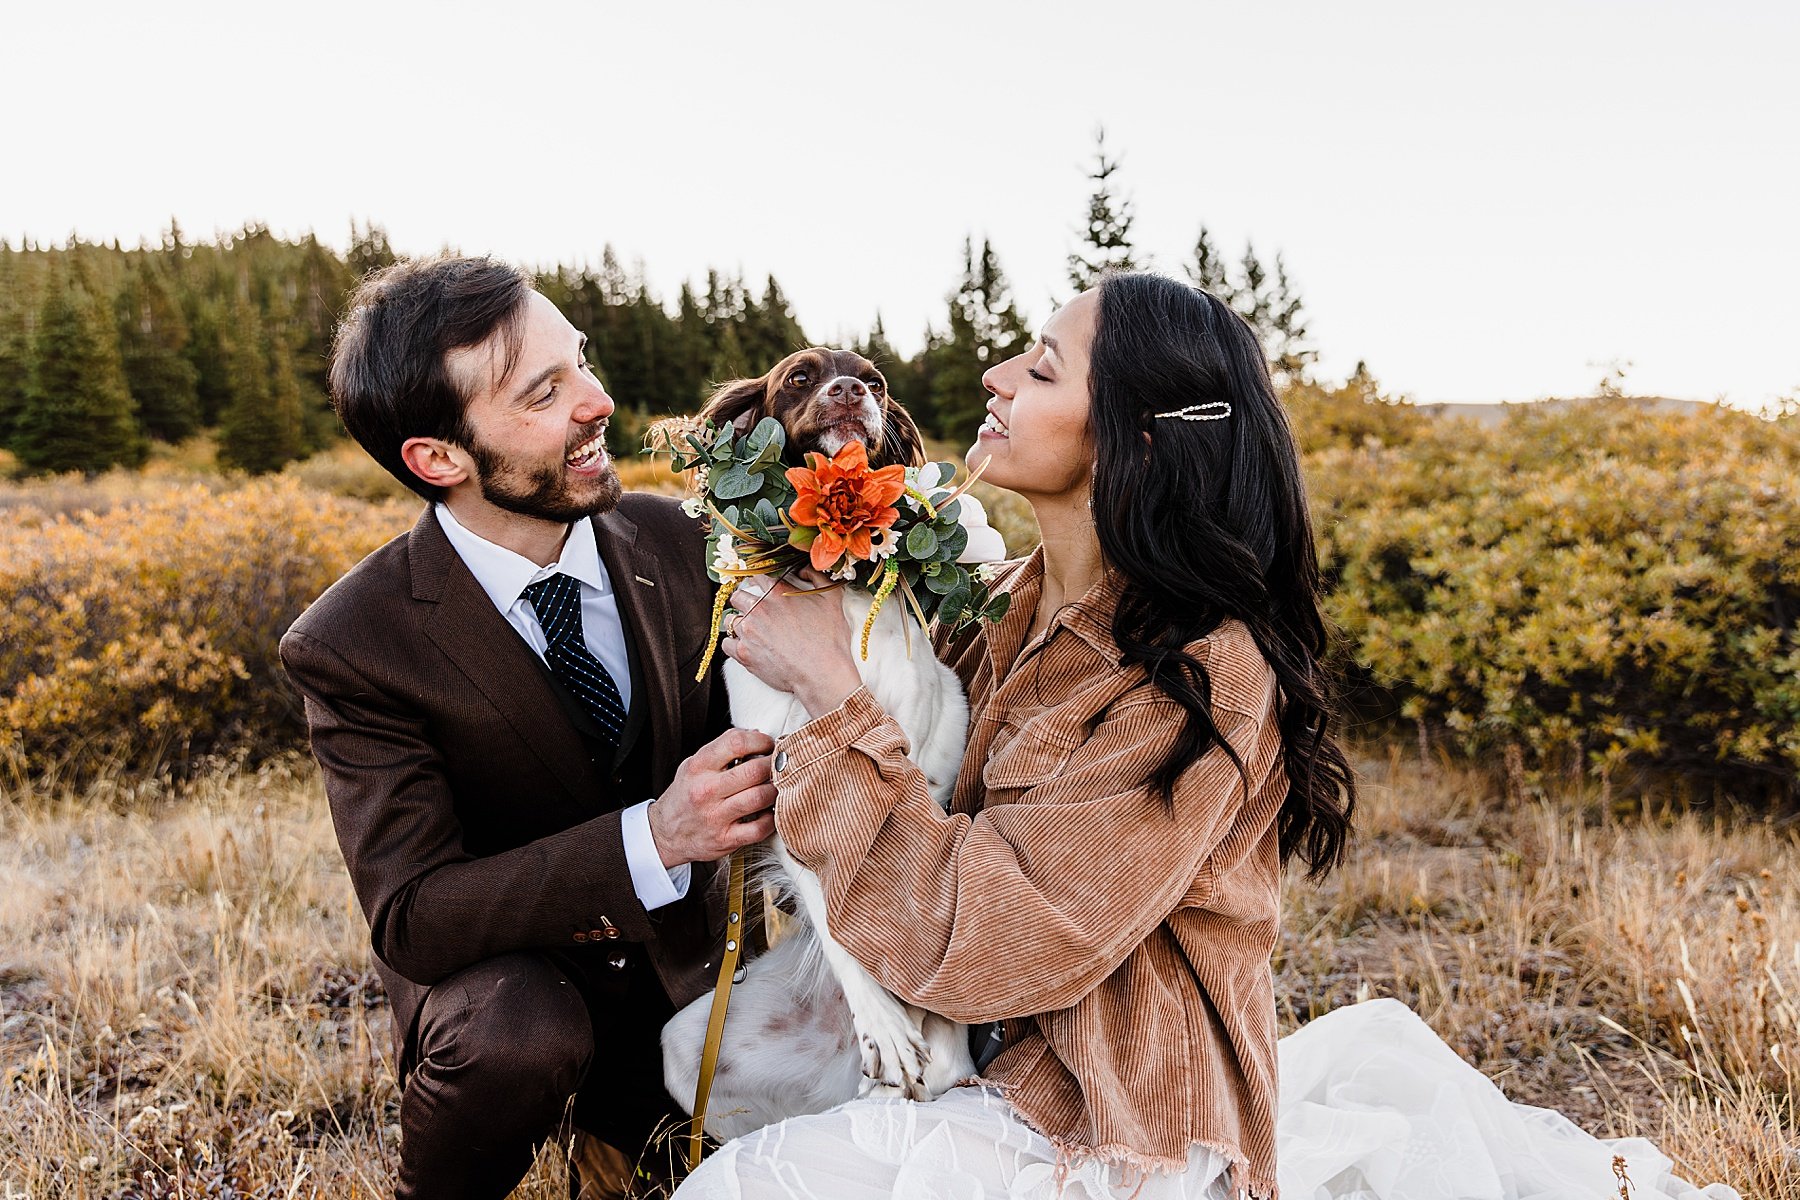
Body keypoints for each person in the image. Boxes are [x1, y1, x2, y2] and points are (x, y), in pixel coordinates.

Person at [678, 273, 1741, 1200]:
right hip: (985, 1055)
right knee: (701, 1073)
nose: (996, 377)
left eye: (1043, 370)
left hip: (1106, 1121)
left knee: (739, 1191)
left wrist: (829, 692)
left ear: (1135, 437)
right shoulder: (1002, 605)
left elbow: (995, 940)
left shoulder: (1198, 672)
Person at [279, 256, 777, 1200]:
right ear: (439, 458)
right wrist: (658, 836)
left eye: (580, 363)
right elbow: (414, 919)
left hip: (693, 982)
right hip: (513, 991)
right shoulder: (353, 644)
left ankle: (628, 1130)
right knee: (520, 1037)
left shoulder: (683, 541)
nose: (598, 401)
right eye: (545, 392)